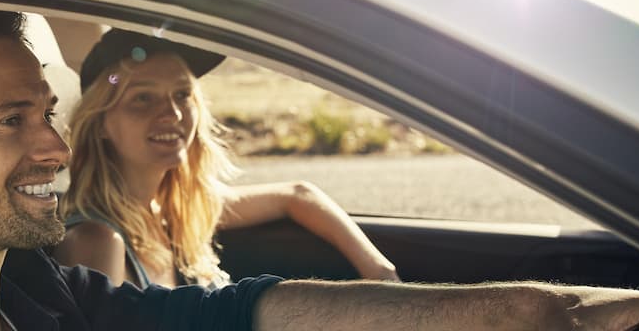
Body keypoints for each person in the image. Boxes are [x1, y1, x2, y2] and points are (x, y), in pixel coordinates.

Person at [0, 4, 639, 331]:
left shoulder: (57, 303)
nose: (54, 146)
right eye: (12, 120)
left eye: (48, 114)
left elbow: (248, 311)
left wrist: (560, 316)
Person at [53, 29, 397, 289]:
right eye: (143, 98)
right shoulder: (97, 242)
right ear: (99, 124)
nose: (171, 113)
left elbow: (298, 195)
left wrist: (383, 277)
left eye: (182, 94)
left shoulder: (177, 209)